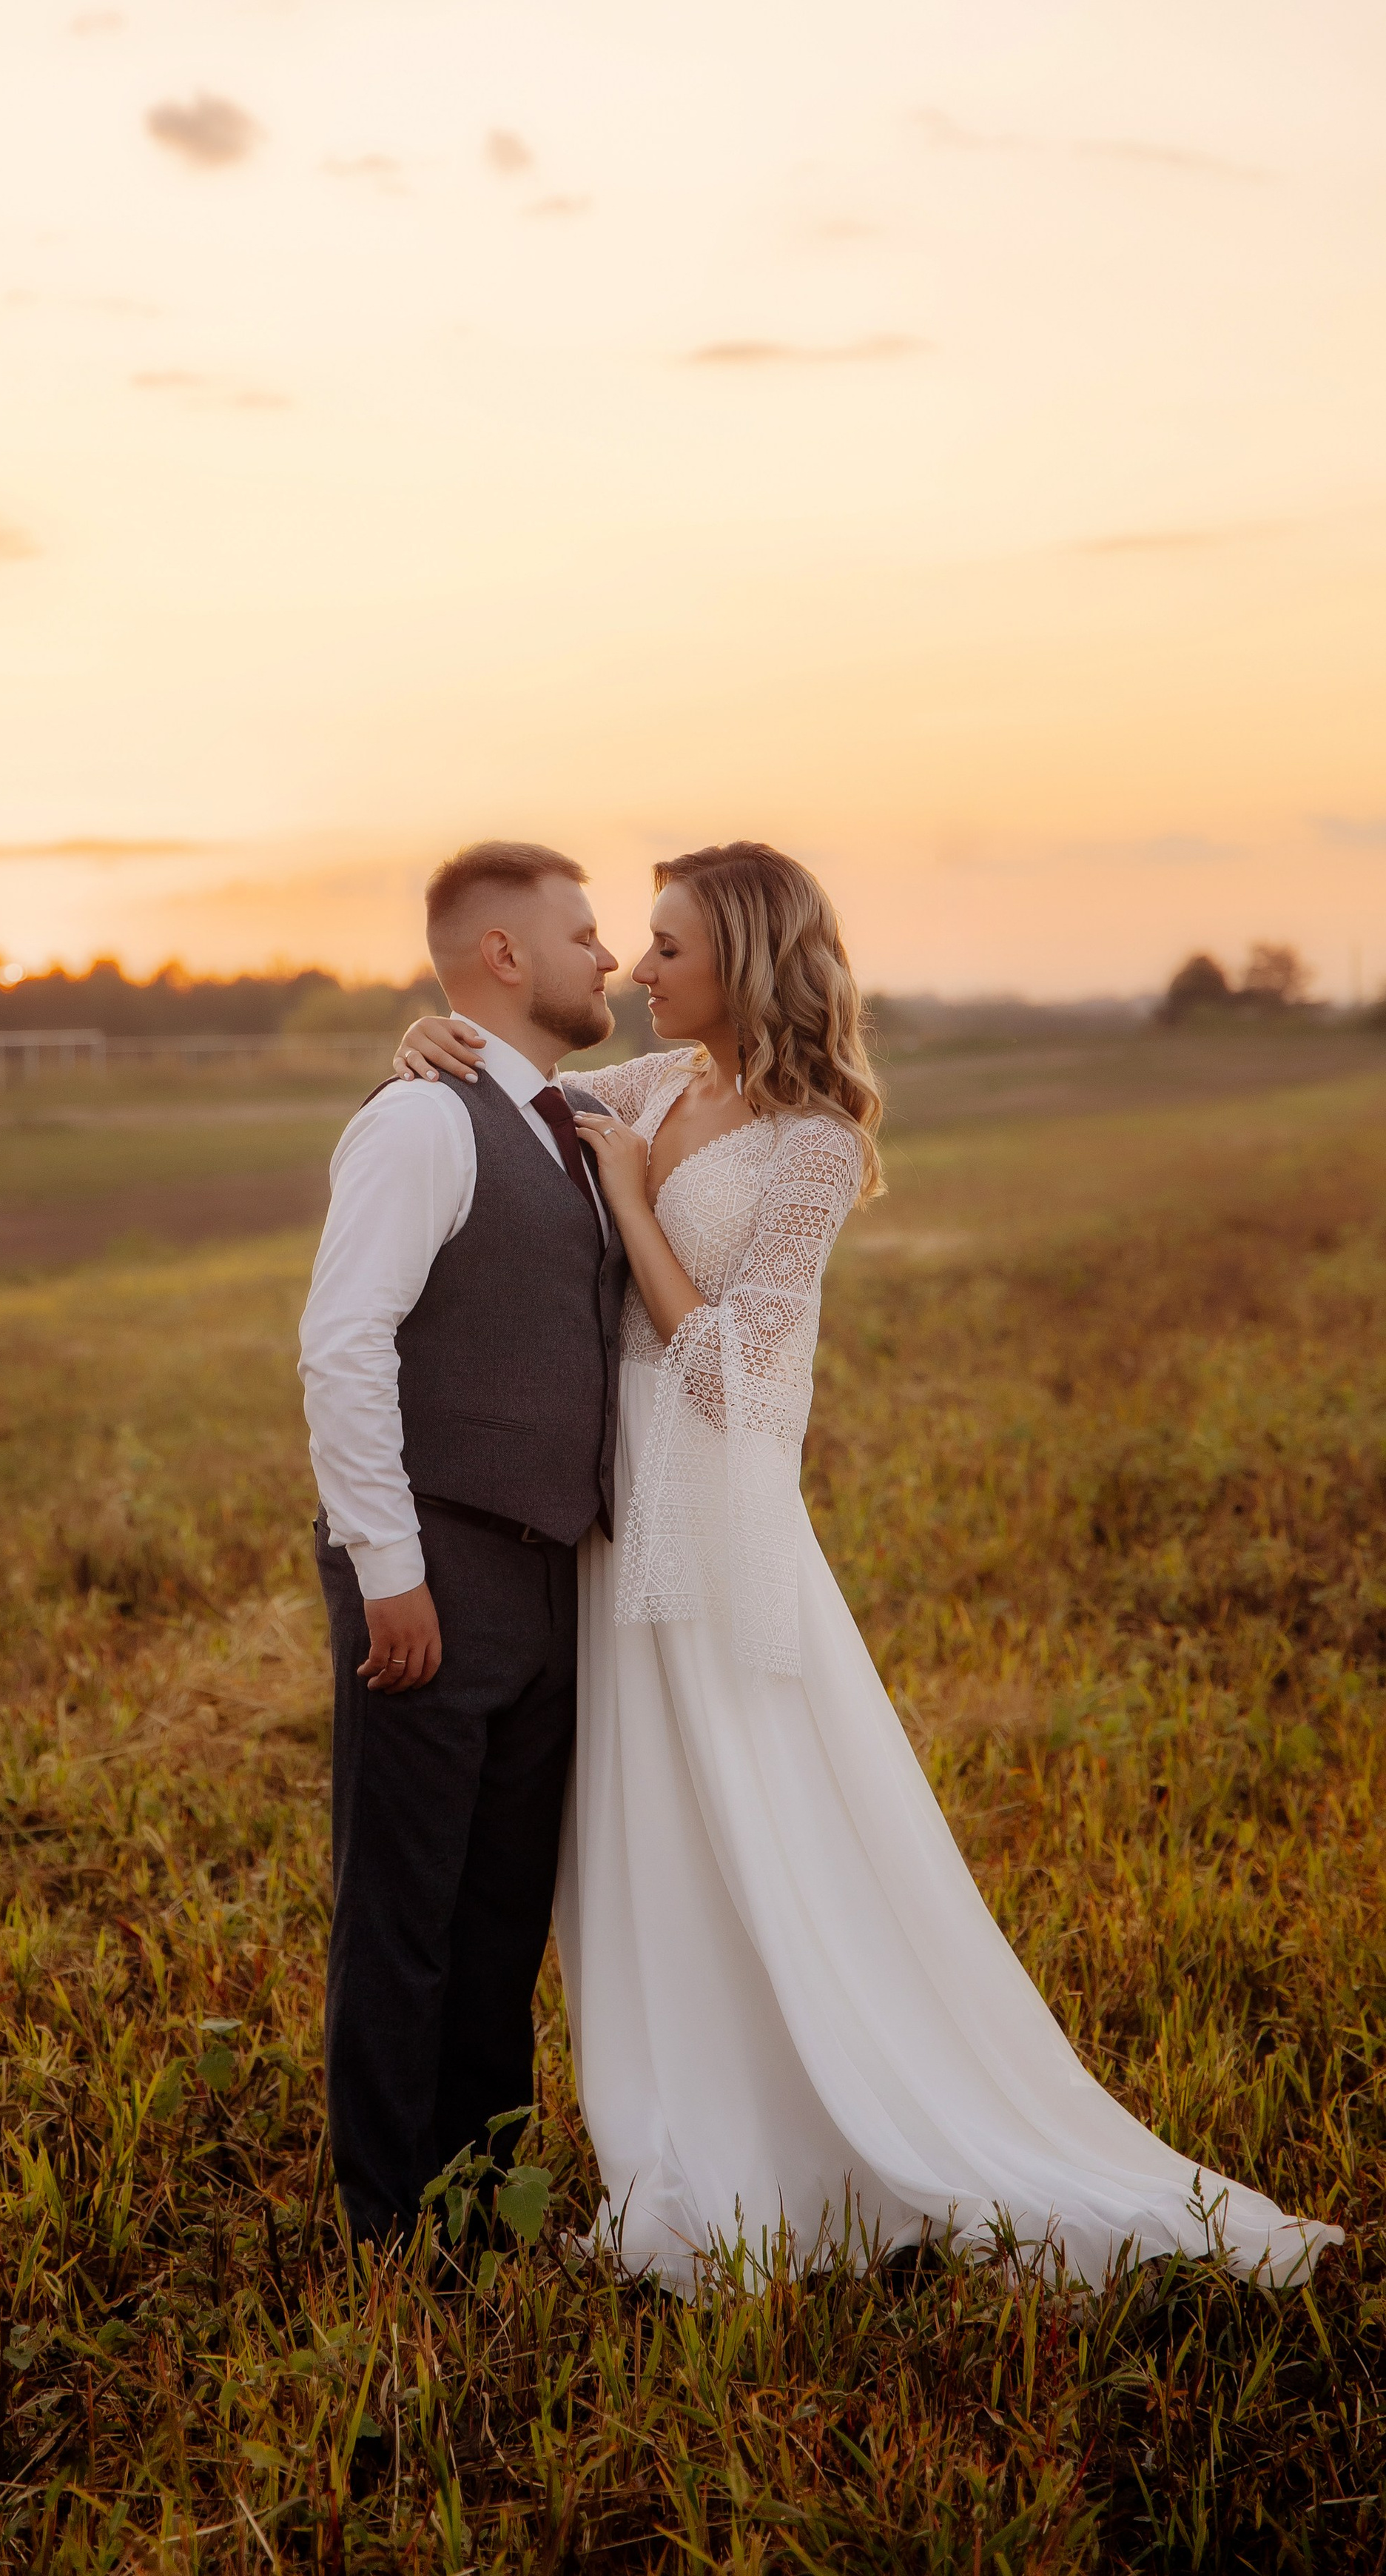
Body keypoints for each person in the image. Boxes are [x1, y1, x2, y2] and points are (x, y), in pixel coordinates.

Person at [391, 839, 1339, 2287]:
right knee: (642, 1832)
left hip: (708, 1517)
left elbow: (738, 1382)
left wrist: (637, 1207)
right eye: (636, 944)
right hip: (611, 1518)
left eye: (666, 948)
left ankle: (820, 2131)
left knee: (752, 1807)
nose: (638, 971)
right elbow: (521, 1099)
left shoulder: (813, 1140)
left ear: (746, 964)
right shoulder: (648, 1087)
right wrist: (425, 1038)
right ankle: (676, 2125)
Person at [298, 839, 628, 2249]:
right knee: (406, 1908)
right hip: (434, 1569)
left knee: (499, 1913)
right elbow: (342, 1341)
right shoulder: (422, 1121)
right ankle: (387, 2225)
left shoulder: (568, 1109)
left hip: (545, 1570)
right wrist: (390, 1570)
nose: (610, 957)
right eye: (586, 932)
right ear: (503, 954)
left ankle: (483, 2206)